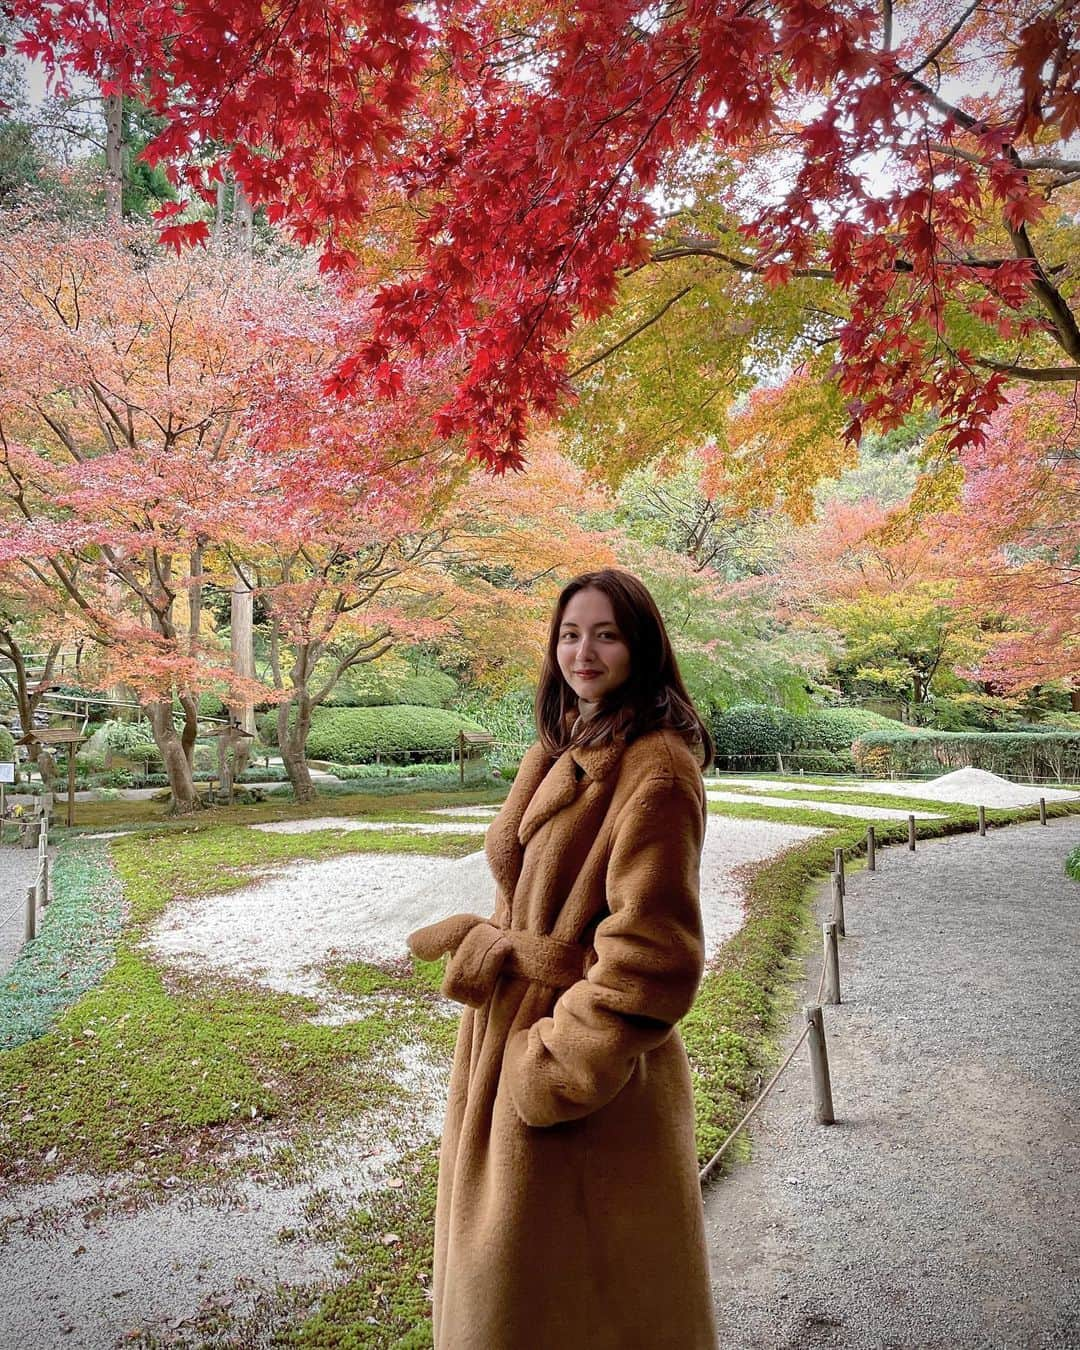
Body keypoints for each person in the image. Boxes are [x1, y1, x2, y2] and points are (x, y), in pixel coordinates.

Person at [408, 568, 718, 1350]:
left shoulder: (656, 767)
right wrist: (490, 941)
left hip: (577, 1087)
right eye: (571, 632)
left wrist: (556, 1065)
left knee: (572, 1308)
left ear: (640, 646)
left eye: (607, 633)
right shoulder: (568, 744)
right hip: (506, 1035)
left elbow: (653, 958)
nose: (584, 650)